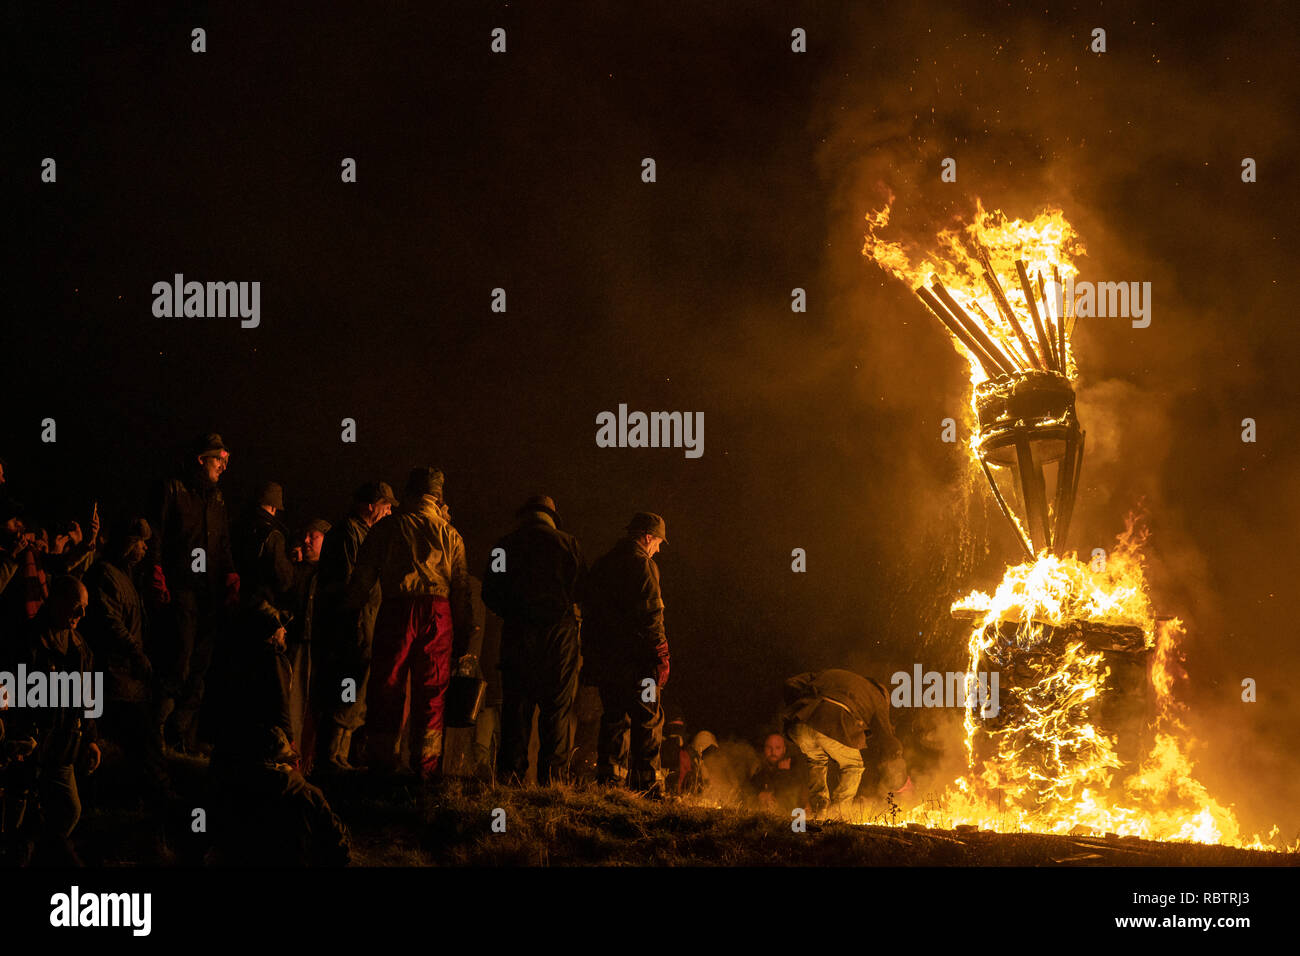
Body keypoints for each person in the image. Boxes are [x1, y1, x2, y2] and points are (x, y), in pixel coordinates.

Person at [346, 467, 475, 779]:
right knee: (432, 690)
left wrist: (348, 611)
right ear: (438, 498)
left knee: (387, 684)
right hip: (438, 612)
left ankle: (381, 762)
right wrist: (463, 635)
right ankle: (425, 769)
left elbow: (362, 579)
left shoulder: (388, 528)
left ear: (409, 494)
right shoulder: (452, 535)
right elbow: (461, 589)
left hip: (397, 610)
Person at [481, 495, 586, 786]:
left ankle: (510, 774)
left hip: (519, 631)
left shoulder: (505, 546)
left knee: (517, 705)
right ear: (552, 517)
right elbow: (582, 590)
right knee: (557, 708)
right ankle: (552, 779)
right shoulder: (569, 544)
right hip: (559, 634)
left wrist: (514, 612)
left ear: (524, 516)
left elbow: (490, 592)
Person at [147, 432, 239, 754]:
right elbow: (156, 532)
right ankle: (155, 733)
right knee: (179, 660)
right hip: (182, 586)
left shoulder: (216, 499)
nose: (224, 466)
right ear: (202, 459)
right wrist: (156, 571)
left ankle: (177, 734)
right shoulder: (173, 489)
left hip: (208, 592)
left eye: (226, 460)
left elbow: (223, 542)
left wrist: (230, 574)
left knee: (202, 664)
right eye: (219, 459)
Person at [7, 576, 101, 864]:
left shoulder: (80, 647)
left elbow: (88, 697)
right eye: (76, 607)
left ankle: (44, 852)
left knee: (69, 810)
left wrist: (91, 739)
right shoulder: (28, 641)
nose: (82, 615)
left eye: (84, 608)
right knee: (17, 824)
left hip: (61, 748)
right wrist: (17, 734)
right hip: (30, 750)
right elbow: (10, 691)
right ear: (57, 602)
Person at [81, 517, 169, 804]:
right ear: (128, 544)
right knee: (142, 738)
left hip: (125, 678)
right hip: (113, 677)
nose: (144, 548)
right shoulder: (105, 575)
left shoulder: (125, 576)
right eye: (140, 543)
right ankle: (156, 795)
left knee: (135, 740)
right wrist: (136, 653)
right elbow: (110, 623)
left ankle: (127, 795)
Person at [583, 512, 671, 795]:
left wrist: (592, 656)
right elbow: (652, 616)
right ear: (647, 537)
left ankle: (610, 784)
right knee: (649, 718)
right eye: (658, 542)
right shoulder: (643, 565)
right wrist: (661, 655)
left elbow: (589, 614)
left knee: (614, 717)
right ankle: (649, 787)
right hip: (639, 660)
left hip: (608, 660)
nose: (658, 549)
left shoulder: (603, 564)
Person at [313, 481, 397, 773]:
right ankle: (330, 756)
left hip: (363, 619)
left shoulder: (363, 534)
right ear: (371, 506)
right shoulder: (349, 533)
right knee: (347, 684)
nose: (388, 513)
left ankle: (341, 755)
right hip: (352, 623)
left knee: (356, 684)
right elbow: (351, 583)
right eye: (386, 506)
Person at [781, 668, 906, 819]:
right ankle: (837, 815)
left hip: (801, 723)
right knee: (853, 766)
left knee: (816, 760)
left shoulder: (831, 673)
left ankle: (819, 812)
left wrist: (802, 705)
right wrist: (897, 762)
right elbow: (886, 738)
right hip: (835, 722)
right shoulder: (876, 696)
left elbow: (790, 683)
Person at [288, 518, 330, 766]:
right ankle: (292, 758)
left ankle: (310, 759)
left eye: (312, 537)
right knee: (293, 702)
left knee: (316, 707)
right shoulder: (297, 570)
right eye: (305, 536)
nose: (305, 541)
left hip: (320, 646)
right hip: (297, 642)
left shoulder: (330, 574)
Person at [232, 481, 294, 612]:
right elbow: (284, 580)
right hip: (264, 606)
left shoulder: (236, 527)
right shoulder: (273, 535)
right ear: (273, 507)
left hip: (236, 602)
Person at [749, 732, 808, 815]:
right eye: (769, 747)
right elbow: (749, 791)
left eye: (777, 748)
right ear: (764, 749)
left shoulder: (794, 767)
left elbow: (794, 794)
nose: (773, 752)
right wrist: (760, 795)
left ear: (784, 749)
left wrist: (783, 773)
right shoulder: (760, 769)